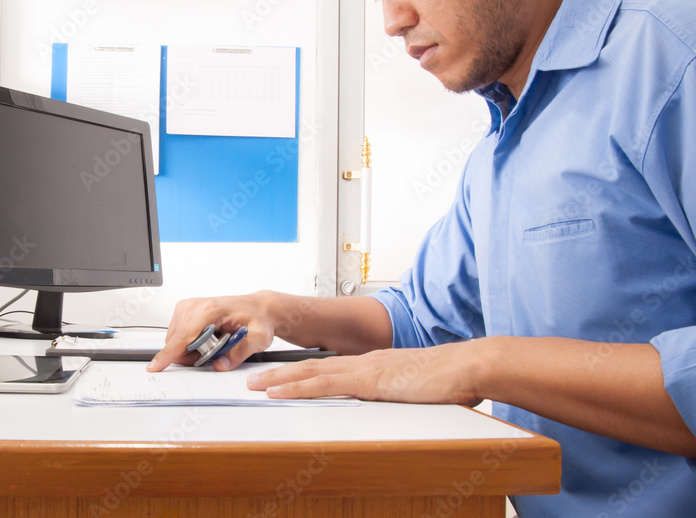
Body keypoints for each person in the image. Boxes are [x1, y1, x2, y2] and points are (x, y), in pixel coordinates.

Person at [148, 0, 696, 515]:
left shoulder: (670, 56)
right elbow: (420, 321)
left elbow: (456, 355)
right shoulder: (503, 141)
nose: (394, 20)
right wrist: (275, 308)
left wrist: (484, 363)